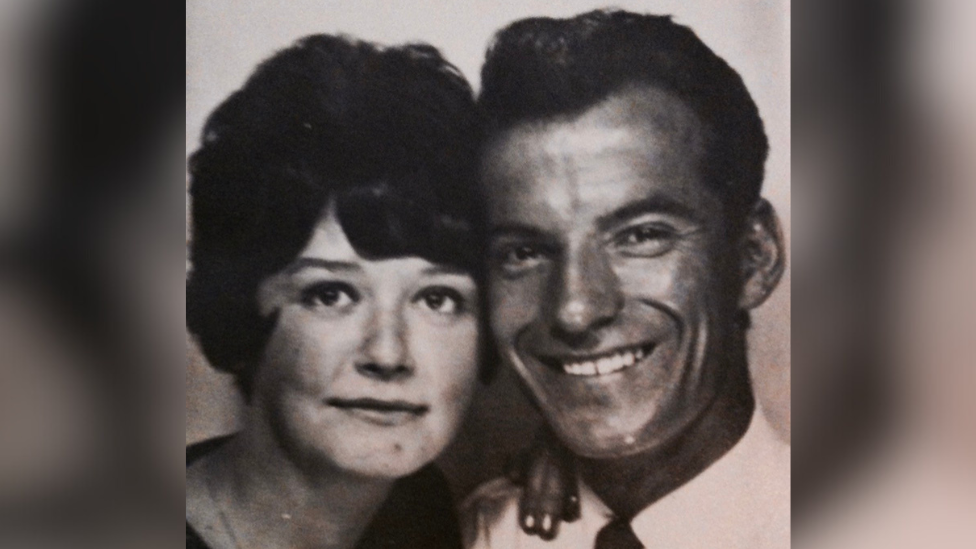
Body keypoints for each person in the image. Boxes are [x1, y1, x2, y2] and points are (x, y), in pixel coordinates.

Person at [463, 10, 789, 548]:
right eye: (525, 251)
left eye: (640, 236)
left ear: (754, 257)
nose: (575, 307)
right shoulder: (462, 536)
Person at [185, 34, 486, 549]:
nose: (388, 353)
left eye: (437, 299)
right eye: (331, 294)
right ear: (239, 309)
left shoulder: (421, 511)